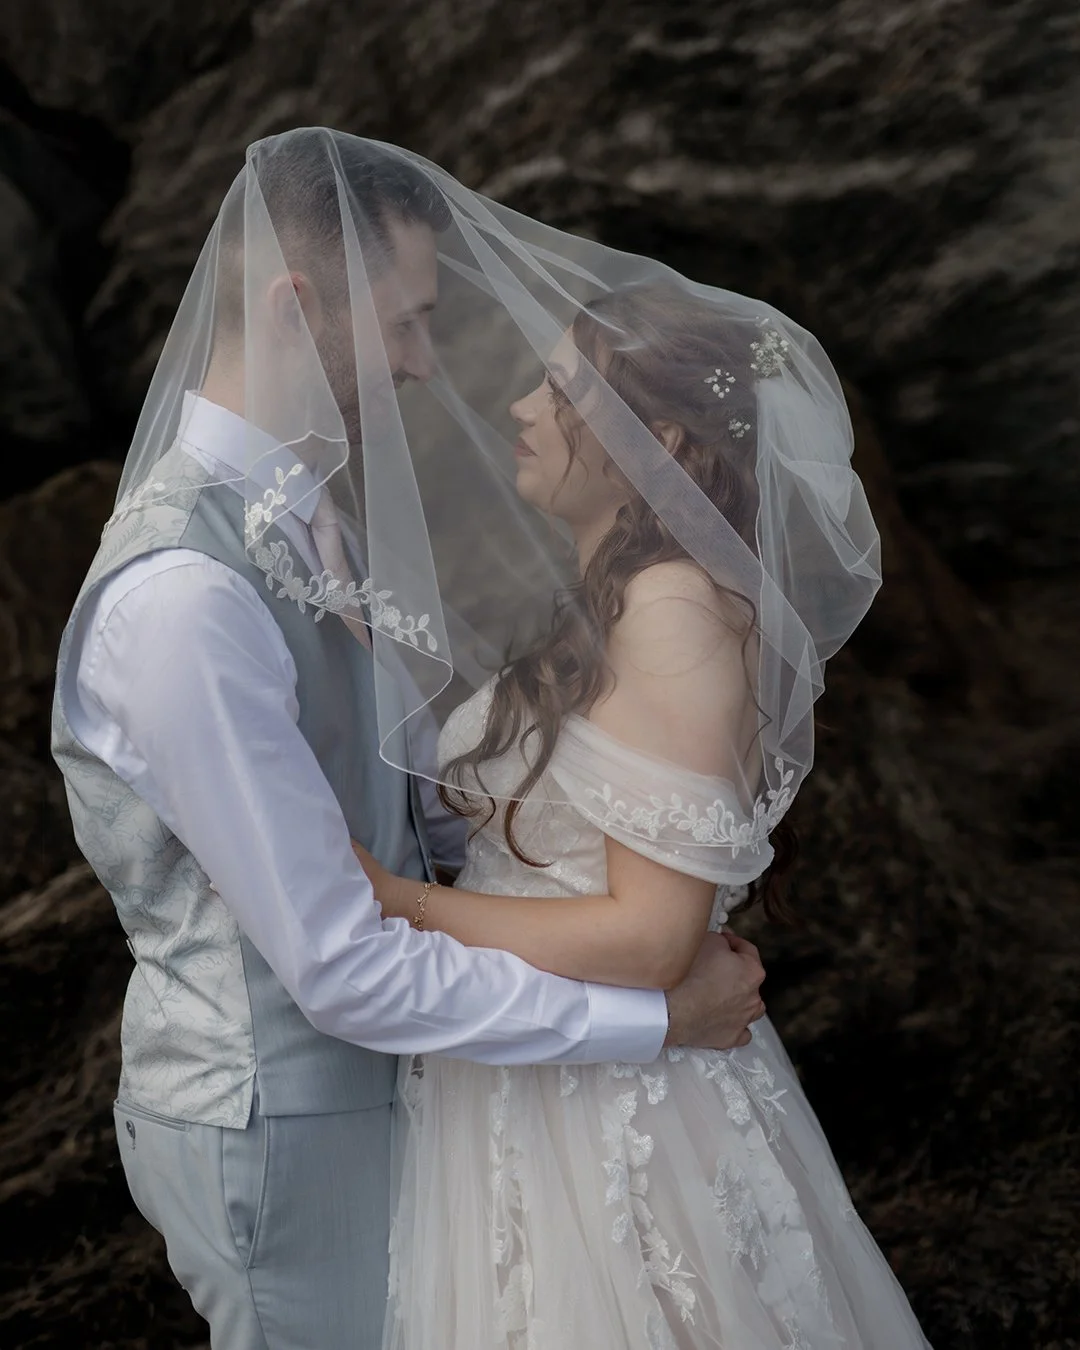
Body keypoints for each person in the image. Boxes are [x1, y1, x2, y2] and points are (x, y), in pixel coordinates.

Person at [49, 129, 765, 1350]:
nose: (428, 367)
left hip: (408, 1096)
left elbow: (410, 815)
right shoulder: (186, 598)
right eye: (404, 322)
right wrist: (655, 1020)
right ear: (294, 306)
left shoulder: (303, 522)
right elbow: (337, 962)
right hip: (283, 1119)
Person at [341, 189, 936, 1341]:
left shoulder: (668, 612)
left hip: (615, 1110)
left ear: (655, 446)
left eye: (560, 392)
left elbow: (655, 938)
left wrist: (398, 904)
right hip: (542, 1073)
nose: (520, 405)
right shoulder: (618, 608)